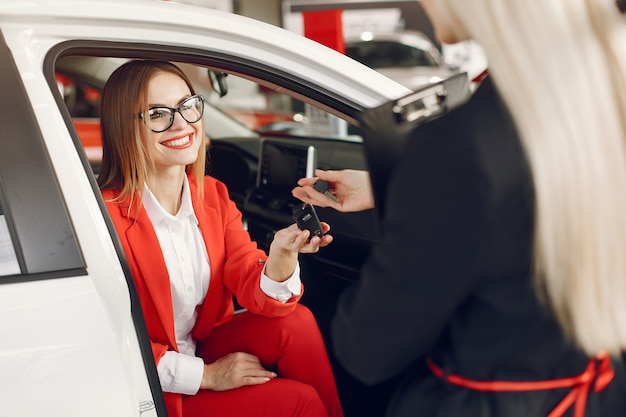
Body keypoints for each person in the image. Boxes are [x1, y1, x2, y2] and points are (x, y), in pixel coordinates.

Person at [292, 0, 626, 416]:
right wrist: (404, 190)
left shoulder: (459, 144)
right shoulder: (600, 98)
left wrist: (421, 191)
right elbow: (527, 194)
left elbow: (367, 346)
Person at [97, 59, 343, 417]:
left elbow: (244, 270)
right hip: (153, 383)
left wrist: (281, 258)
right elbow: (108, 339)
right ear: (124, 128)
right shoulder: (103, 216)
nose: (181, 123)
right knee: (299, 401)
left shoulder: (211, 194)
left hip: (200, 343)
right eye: (157, 114)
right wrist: (207, 375)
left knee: (297, 323)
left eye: (187, 106)